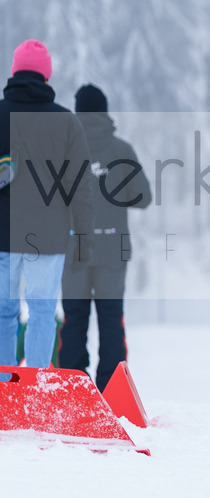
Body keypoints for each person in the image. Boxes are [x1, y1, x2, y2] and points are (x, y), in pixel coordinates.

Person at [1, 40, 94, 376]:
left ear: (14, 71)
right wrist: (84, 235)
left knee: (2, 312)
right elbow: (81, 184)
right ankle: (36, 388)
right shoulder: (66, 122)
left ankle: (4, 387)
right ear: (46, 75)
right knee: (42, 311)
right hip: (48, 235)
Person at [59, 84, 152, 393]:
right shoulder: (121, 150)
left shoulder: (63, 148)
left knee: (74, 319)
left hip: (73, 247)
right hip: (113, 247)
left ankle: (74, 390)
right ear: (104, 110)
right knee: (111, 319)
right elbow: (143, 198)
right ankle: (113, 391)